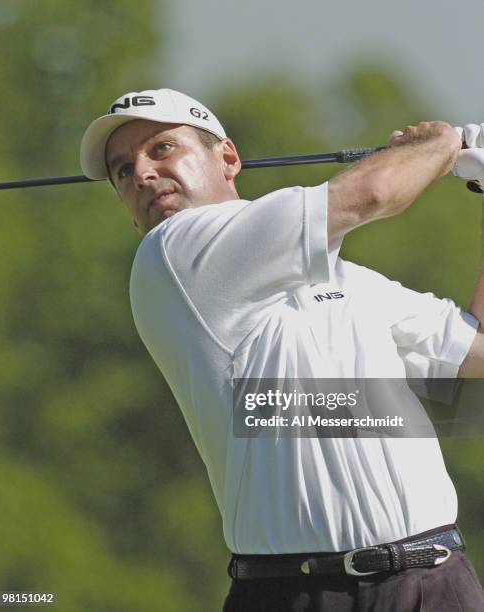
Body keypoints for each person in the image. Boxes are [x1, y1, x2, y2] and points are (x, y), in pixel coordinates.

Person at [80, 88, 484, 611]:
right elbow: (375, 191)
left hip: (435, 583)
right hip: (296, 592)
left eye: (160, 149)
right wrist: (443, 143)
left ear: (226, 156)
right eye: (121, 170)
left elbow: (476, 354)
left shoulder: (346, 279)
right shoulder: (173, 254)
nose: (141, 173)